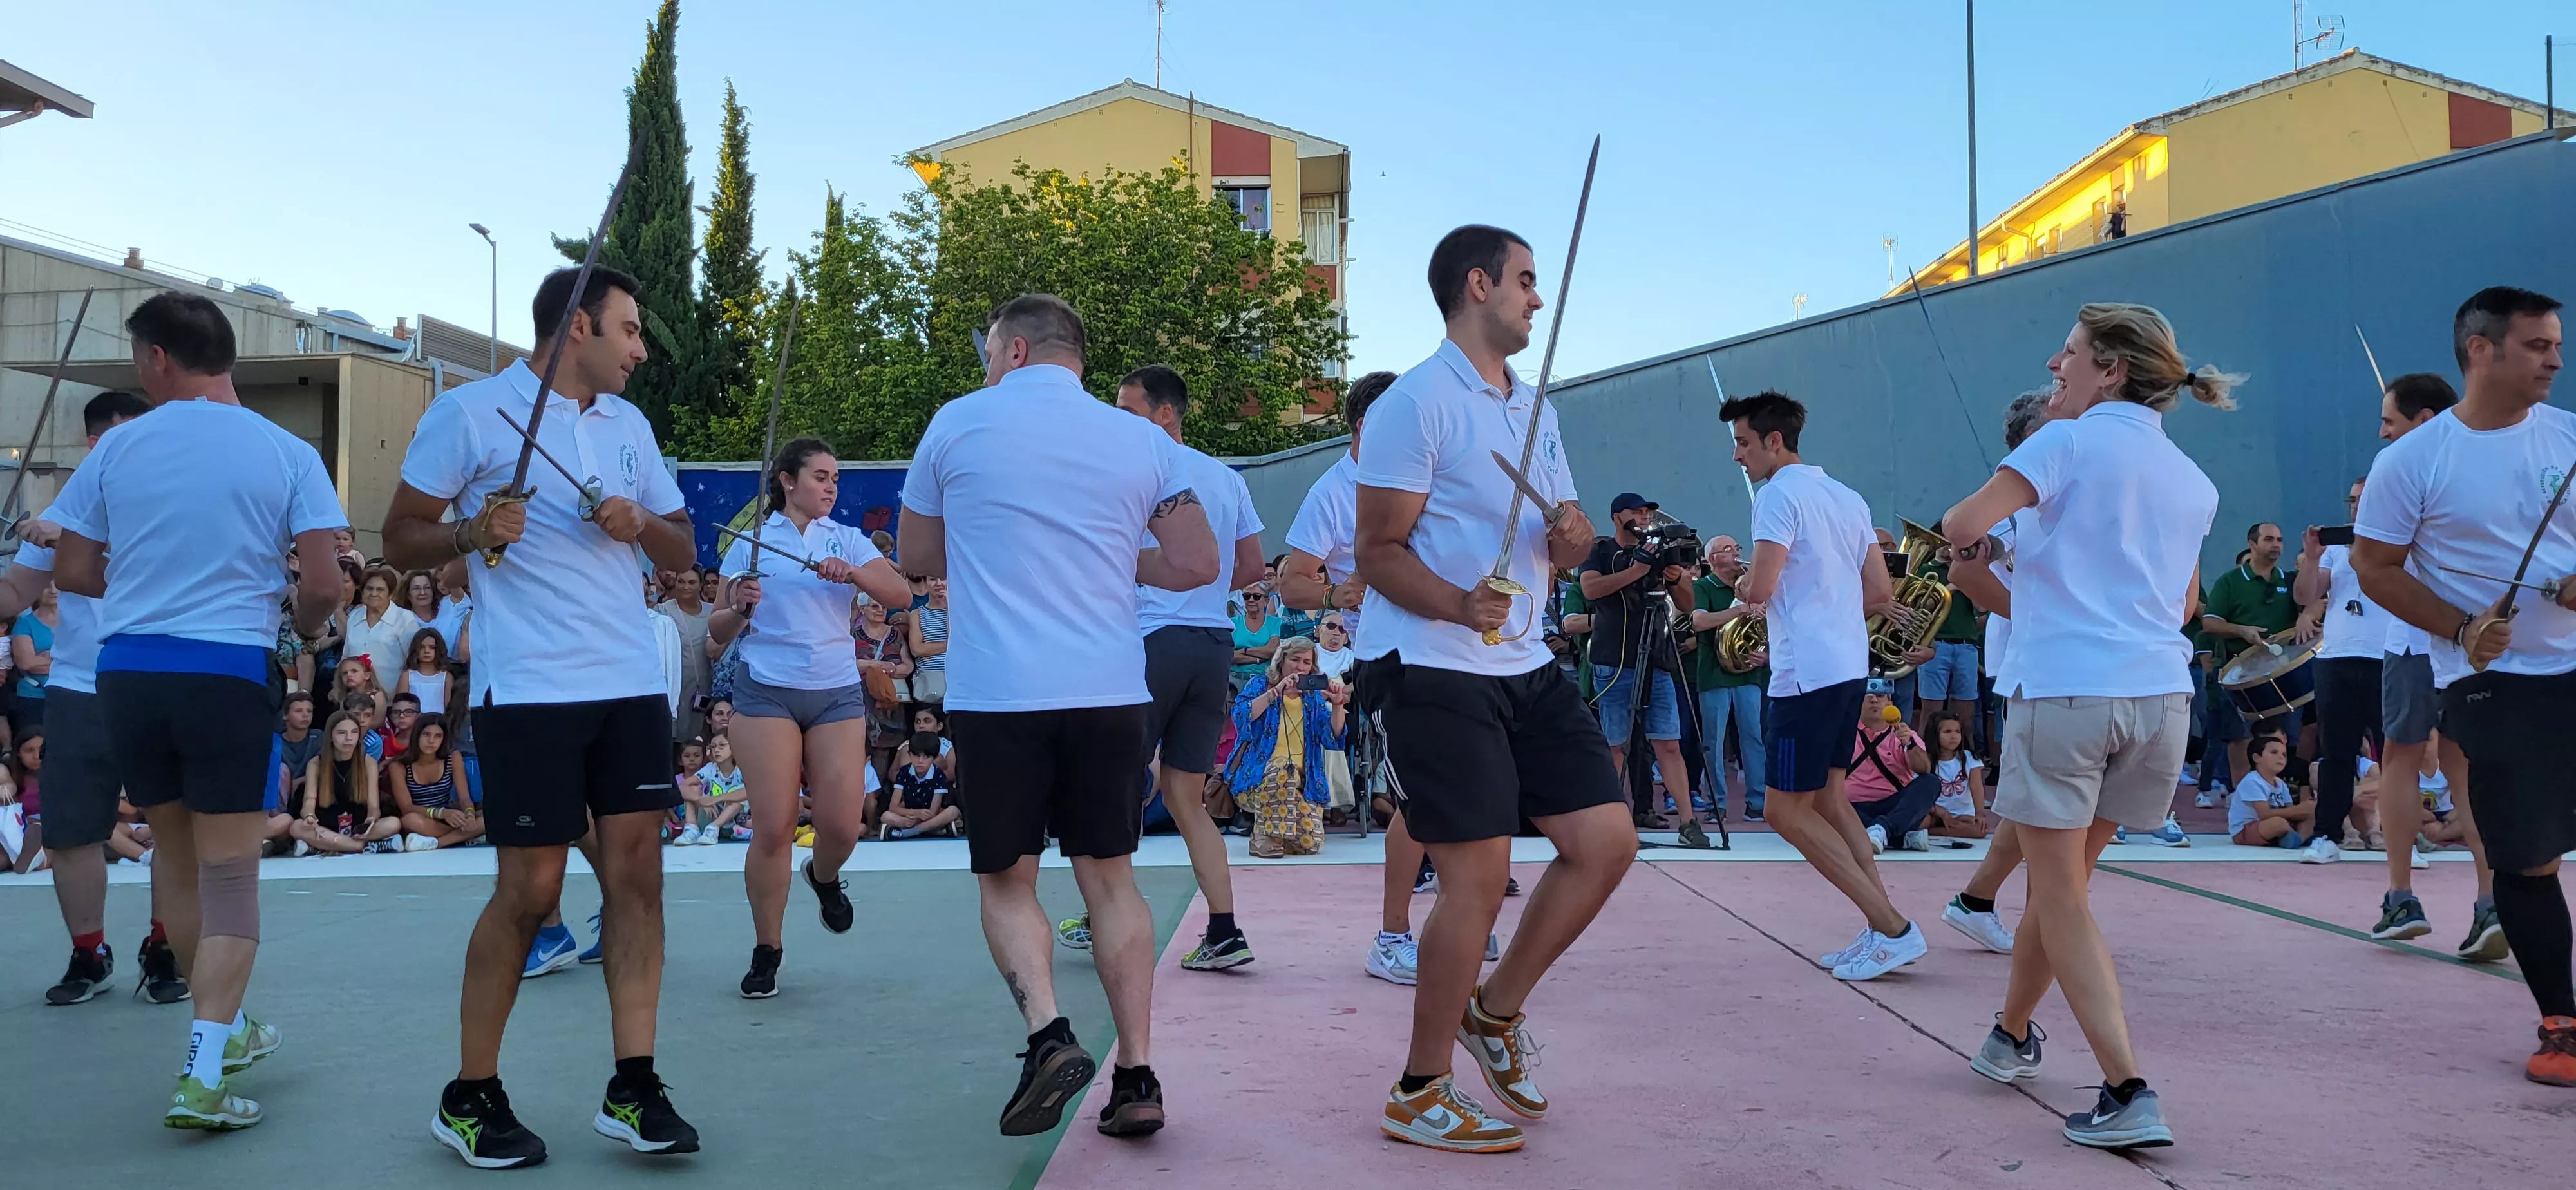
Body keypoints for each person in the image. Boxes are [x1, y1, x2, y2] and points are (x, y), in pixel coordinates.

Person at [384, 265, 700, 1166]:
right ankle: (470, 1094)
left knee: (638, 881)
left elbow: (683, 550)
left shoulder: (631, 426)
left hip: (629, 685)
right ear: (577, 330)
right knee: (529, 895)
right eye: (630, 331)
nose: (642, 350)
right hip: (527, 692)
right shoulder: (472, 415)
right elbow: (399, 531)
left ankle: (634, 1086)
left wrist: (643, 525)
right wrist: (471, 535)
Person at [900, 292, 1220, 1138]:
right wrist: (1116, 553)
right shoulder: (1144, 440)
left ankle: (1048, 1033)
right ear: (1075, 359)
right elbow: (1195, 563)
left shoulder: (959, 424)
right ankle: (1138, 1075)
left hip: (1001, 692)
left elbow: (918, 558)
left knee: (1007, 880)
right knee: (1110, 880)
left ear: (1010, 350)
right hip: (1110, 688)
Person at [1352, 225, 1633, 1155]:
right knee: (1475, 877)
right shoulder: (1415, 403)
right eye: (1524, 281)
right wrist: (1457, 602)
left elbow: (1560, 535)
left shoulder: (1535, 409)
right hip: (1432, 667)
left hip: (1525, 663)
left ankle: (1495, 1010)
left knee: (1606, 843)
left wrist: (1571, 539)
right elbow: (1377, 553)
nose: (1536, 299)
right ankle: (1419, 1089)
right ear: (1477, 285)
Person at [50, 294, 342, 1129]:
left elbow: (72, 567)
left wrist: (147, 584)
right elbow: (322, 585)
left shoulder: (118, 447)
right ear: (227, 357)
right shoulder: (286, 450)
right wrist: (301, 624)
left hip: (129, 671)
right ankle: (201, 1073)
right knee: (231, 878)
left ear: (154, 361)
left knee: (174, 865)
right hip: (226, 672)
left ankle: (225, 1033)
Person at [1940, 301, 2230, 1148]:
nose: (2054, 365)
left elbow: (1961, 525)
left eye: (2068, 354)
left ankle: (2126, 1087)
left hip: (2064, 692)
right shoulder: (2193, 480)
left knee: (2060, 894)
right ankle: (2009, 1035)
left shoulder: (2063, 442)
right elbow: (2177, 603)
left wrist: (1986, 548)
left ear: (2109, 369)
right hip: (2158, 702)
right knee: (2060, 888)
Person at [2351, 285, 2573, 1086]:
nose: (2554, 358)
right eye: (2536, 345)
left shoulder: (2571, 439)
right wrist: (2456, 627)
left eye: (2555, 343)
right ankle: (2562, 1026)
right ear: (2480, 351)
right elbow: (2374, 567)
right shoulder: (2411, 459)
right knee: (2527, 858)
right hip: (2494, 685)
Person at [1723, 389, 1926, 983]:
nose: (1737, 456)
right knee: (1832, 802)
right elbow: (1880, 593)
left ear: (1773, 442)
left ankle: (1891, 927)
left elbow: (1758, 592)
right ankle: (1881, 930)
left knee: (1787, 812)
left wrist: (1740, 587)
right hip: (1845, 666)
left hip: (1804, 674)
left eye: (1742, 443)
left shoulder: (1777, 497)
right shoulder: (1846, 495)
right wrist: (1824, 613)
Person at [0, 389, 187, 1006]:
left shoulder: (171, 503)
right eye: (129, 439)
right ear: (95, 444)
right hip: (81, 688)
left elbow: (159, 574)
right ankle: (90, 952)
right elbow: (14, 593)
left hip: (160, 680)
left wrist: (70, 540)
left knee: (174, 826)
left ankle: (165, 947)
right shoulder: (69, 502)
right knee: (70, 832)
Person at [708, 437, 913, 999]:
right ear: (786, 481)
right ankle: (766, 950)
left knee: (844, 826)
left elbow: (899, 594)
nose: (830, 487)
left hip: (835, 693)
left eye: (835, 479)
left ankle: (823, 877)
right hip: (767, 691)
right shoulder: (751, 544)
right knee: (773, 827)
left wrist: (853, 573)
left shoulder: (845, 537)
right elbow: (717, 635)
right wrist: (737, 607)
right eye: (820, 476)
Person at [1280, 371, 1435, 986]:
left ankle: (1456, 918)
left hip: (1447, 645)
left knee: (1462, 790)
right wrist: (1332, 592)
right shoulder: (1332, 492)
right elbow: (1293, 580)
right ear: (1368, 426)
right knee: (1422, 796)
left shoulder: (1421, 474)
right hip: (1387, 654)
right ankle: (1393, 937)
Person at [1113, 363, 1268, 970]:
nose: (1117, 423)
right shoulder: (1226, 477)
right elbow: (1252, 566)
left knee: (1118, 781)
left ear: (1164, 414)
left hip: (1155, 640)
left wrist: (1169, 589)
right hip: (1214, 643)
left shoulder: (1139, 470)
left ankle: (1106, 913)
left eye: (1128, 411)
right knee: (1186, 795)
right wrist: (1200, 590)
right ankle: (1225, 931)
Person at [2358, 372, 2504, 958]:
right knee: (2467, 767)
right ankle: (2492, 900)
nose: (2382, 433)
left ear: (2421, 421)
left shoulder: (2402, 467)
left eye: (2389, 422)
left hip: (2419, 639)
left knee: (2399, 756)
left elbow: (2377, 562)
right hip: (2481, 643)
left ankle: (2401, 896)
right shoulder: (2489, 463)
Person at [1578, 492, 1704, 845]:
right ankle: (1613, 823)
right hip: (1613, 661)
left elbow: (1687, 605)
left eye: (1648, 513)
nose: (1646, 517)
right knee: (1616, 744)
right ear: (1618, 517)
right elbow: (1590, 589)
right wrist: (1637, 570)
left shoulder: (1658, 551)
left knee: (1668, 744)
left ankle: (1689, 823)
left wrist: (1677, 577)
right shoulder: (1600, 552)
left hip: (1657, 660)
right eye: (1637, 512)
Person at [2291, 477, 2391, 864]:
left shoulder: (2400, 542)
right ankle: (2327, 836)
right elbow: (2305, 596)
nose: (2354, 507)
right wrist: (2314, 557)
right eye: (2351, 500)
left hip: (2389, 656)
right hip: (2337, 658)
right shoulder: (2336, 550)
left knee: (2397, 753)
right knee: (2337, 753)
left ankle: (2404, 838)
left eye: (2362, 500)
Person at [2201, 522, 2318, 782]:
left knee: (2284, 738)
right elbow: (2210, 622)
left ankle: (2281, 793)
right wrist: (2242, 631)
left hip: (2282, 674)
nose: (2276, 545)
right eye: (2268, 539)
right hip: (2238, 673)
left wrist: (2306, 617)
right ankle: (2242, 795)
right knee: (2240, 739)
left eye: (2279, 539)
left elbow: (2316, 602)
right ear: (2252, 545)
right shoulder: (2230, 581)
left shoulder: (2289, 581)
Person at [1224, 636, 1348, 858]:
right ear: (1281, 660)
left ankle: (1278, 832)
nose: (1300, 667)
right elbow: (1240, 717)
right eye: (1295, 660)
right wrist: (1275, 692)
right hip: (1259, 778)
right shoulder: (1260, 685)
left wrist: (1338, 705)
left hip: (1301, 783)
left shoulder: (1312, 699)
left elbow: (1333, 738)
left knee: (1310, 844)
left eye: (1307, 663)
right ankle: (1262, 837)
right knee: (1284, 769)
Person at [1689, 535, 1768, 821]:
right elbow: (1698, 621)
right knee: (1713, 741)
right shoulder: (1702, 587)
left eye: (1737, 548)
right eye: (1728, 550)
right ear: (1712, 560)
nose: (1736, 553)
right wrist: (1739, 609)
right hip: (1714, 674)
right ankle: (1716, 803)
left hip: (1749, 672)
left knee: (1754, 739)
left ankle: (1757, 802)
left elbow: (1772, 622)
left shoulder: (1752, 585)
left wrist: (1767, 653)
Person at [1842, 679, 1938, 853]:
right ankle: (1897, 837)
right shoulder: (1843, 733)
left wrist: (1908, 744)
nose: (1874, 700)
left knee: (1931, 782)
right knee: (1824, 801)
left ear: (1891, 704)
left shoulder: (1906, 734)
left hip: (1893, 805)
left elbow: (1924, 769)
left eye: (1880, 696)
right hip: (1851, 806)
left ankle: (1881, 829)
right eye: (1868, 696)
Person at [291, 711, 397, 855]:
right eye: (342, 733)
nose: (349, 738)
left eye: (354, 732)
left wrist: (371, 820)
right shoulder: (316, 763)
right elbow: (309, 801)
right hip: (326, 824)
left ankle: (323, 846)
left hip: (358, 826)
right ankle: (364, 847)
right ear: (331, 736)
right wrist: (309, 816)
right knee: (296, 827)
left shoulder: (368, 763)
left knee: (393, 823)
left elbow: (374, 806)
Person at [395, 713, 482, 849]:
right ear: (417, 735)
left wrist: (469, 814)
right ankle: (466, 837)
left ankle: (436, 843)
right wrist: (441, 813)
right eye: (426, 735)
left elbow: (464, 797)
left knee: (488, 817)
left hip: (450, 817)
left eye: (438, 736)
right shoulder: (399, 766)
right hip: (424, 819)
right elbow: (407, 808)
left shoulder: (453, 757)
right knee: (409, 820)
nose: (431, 741)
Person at [656, 567, 712, 744]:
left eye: (692, 582)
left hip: (705, 687)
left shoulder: (712, 613)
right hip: (674, 688)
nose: (686, 587)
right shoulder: (662, 612)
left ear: (701, 585)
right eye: (681, 582)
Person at [344, 567, 424, 683]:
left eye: (380, 590)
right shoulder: (355, 616)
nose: (374, 594)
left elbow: (414, 660)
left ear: (390, 594)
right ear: (362, 592)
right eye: (369, 589)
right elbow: (346, 656)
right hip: (356, 695)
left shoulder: (405, 619)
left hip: (391, 692)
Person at [2228, 736, 2309, 847]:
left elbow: (2290, 810)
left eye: (2284, 755)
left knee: (2311, 817)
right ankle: (2301, 838)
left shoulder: (2280, 783)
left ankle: (2296, 839)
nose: (2281, 758)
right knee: (2278, 823)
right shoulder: (2252, 781)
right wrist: (2298, 810)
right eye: (2274, 752)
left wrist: (2305, 811)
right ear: (2257, 758)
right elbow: (2264, 814)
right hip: (2247, 829)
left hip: (2275, 824)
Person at [880, 732, 961, 838]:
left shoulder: (939, 775)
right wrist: (916, 814)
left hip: (930, 816)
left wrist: (919, 818)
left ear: (935, 758)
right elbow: (893, 807)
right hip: (908, 815)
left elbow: (933, 811)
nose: (920, 761)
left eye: (926, 757)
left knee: (953, 811)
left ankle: (907, 833)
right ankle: (936, 831)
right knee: (886, 816)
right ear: (909, 754)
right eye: (916, 756)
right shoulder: (904, 772)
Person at [1924, 710, 1989, 840]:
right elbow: (1919, 796)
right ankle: (1939, 827)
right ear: (1934, 734)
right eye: (1947, 732)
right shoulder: (1925, 760)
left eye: (1957, 732)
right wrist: (1940, 812)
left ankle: (1932, 832)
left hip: (1962, 815)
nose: (1954, 736)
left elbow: (1977, 787)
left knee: (1980, 830)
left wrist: (1980, 813)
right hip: (1935, 814)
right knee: (1921, 821)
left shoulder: (1969, 758)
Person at [12, 581, 56, 737]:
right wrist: (65, 660)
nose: (53, 590)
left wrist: (47, 656)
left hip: (69, 696)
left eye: (58, 585)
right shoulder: (25, 623)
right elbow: (26, 663)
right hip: (34, 697)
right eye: (46, 586)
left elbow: (85, 658)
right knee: (34, 746)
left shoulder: (76, 622)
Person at [905, 576, 949, 708]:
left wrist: (950, 608)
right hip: (929, 682)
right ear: (925, 583)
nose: (939, 584)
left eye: (943, 579)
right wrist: (950, 645)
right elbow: (917, 650)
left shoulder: (959, 611)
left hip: (957, 679)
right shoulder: (917, 614)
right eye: (933, 580)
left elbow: (959, 638)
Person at [276, 691, 324, 804]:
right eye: (298, 711)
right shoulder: (276, 742)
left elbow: (328, 769)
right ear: (285, 715)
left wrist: (301, 780)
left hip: (312, 795)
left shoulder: (319, 737)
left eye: (309, 711)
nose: (306, 715)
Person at [398, 629, 455, 722]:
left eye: (432, 647)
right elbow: (401, 705)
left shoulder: (447, 677)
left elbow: (449, 708)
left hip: (438, 723)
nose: (426, 651)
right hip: (413, 724)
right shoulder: (407, 676)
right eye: (422, 647)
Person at [1230, 587, 1282, 685]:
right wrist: (1258, 659)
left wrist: (1244, 651)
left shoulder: (1276, 623)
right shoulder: (1233, 623)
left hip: (1264, 682)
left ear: (1266, 601)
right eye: (1247, 596)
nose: (1251, 600)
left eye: (1256, 597)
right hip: (1235, 681)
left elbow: (1271, 651)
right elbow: (1230, 656)